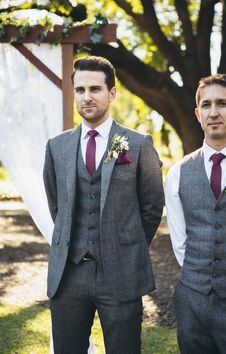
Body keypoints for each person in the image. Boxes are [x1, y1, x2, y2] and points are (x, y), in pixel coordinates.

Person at [43, 56, 164, 354]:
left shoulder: (137, 145)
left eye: (95, 89)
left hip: (121, 273)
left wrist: (126, 245)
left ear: (111, 93)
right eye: (80, 89)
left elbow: (151, 207)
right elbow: (56, 203)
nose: (87, 96)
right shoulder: (56, 146)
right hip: (69, 275)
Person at [165, 73, 226, 354]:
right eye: (206, 105)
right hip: (192, 302)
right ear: (197, 113)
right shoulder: (178, 173)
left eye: (222, 103)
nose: (214, 112)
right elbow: (180, 242)